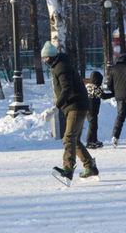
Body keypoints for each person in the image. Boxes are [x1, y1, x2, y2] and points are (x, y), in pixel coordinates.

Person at [41, 41, 99, 181]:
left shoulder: (61, 67)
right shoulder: (59, 65)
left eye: (46, 58)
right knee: (75, 140)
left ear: (52, 56)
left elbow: (67, 88)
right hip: (76, 105)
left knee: (68, 138)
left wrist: (56, 107)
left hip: (76, 106)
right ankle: (90, 166)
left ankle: (68, 169)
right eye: (43, 58)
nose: (44, 61)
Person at [85, 70, 113, 149]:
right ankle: (89, 141)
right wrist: (113, 95)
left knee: (94, 125)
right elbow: (103, 96)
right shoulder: (95, 87)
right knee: (92, 125)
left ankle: (94, 140)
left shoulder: (87, 86)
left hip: (88, 109)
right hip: (92, 109)